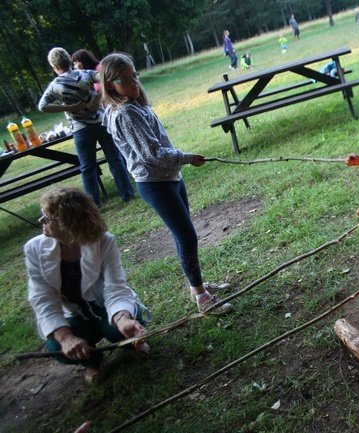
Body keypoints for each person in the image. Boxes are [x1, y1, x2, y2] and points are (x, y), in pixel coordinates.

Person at [100, 52, 234, 315]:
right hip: (156, 183)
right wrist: (187, 158)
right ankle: (201, 297)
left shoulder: (135, 105)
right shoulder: (125, 113)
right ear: (109, 84)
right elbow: (152, 155)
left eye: (134, 76)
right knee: (187, 236)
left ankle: (198, 286)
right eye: (125, 80)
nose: (133, 83)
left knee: (183, 234)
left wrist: (181, 162)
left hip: (169, 178)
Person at [25, 187, 150, 385]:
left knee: (122, 329)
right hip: (74, 314)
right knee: (56, 345)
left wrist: (122, 319)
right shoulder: (34, 249)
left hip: (105, 307)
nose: (41, 221)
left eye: (48, 217)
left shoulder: (104, 242)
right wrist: (66, 337)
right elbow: (42, 298)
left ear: (68, 224)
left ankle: (130, 344)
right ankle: (92, 362)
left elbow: (115, 287)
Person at [38, 48, 134, 207]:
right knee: (115, 159)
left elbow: (43, 106)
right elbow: (107, 79)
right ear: (69, 61)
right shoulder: (85, 74)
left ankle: (94, 204)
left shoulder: (55, 85)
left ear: (54, 66)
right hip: (101, 122)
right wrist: (97, 99)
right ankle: (127, 193)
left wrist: (68, 108)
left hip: (80, 129)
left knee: (88, 168)